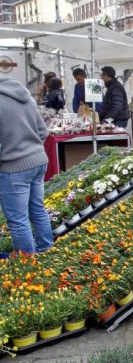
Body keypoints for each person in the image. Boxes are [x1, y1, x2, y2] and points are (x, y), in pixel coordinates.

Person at [0, 76, 54, 254]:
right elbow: (43, 131)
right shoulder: (25, 95)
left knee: (18, 220)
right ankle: (46, 251)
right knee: (37, 210)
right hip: (38, 161)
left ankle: (27, 268)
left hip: (13, 167)